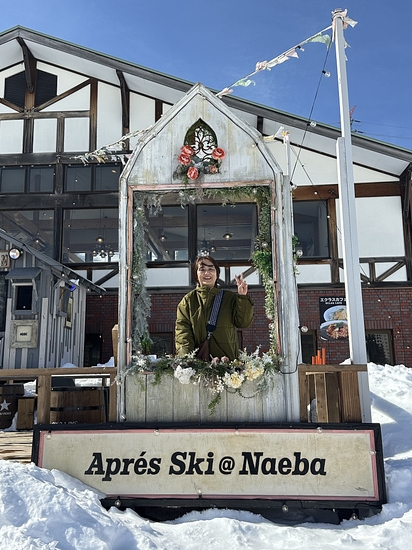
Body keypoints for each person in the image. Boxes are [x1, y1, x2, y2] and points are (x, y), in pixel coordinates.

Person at [175, 255, 254, 361]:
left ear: (217, 274)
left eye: (211, 269)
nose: (207, 273)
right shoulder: (188, 301)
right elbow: (183, 334)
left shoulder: (229, 298)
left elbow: (243, 323)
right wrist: (187, 360)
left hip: (227, 363)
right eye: (202, 269)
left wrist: (242, 297)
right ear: (196, 274)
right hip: (200, 365)